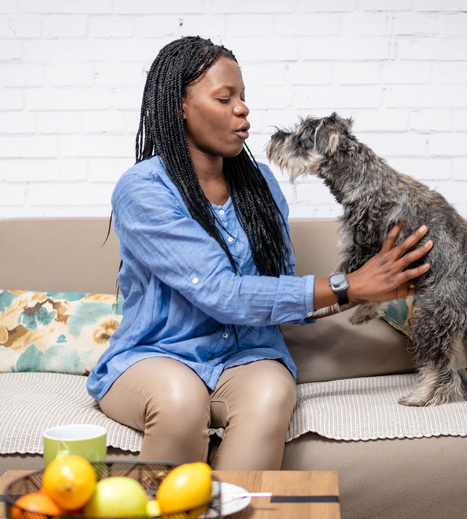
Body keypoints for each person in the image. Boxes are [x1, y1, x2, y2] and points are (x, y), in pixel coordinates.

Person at [86, 36, 433, 470]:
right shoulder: (143, 190)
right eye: (224, 98)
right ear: (180, 106)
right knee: (180, 402)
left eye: (243, 97)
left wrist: (361, 291)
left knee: (271, 393)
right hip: (157, 356)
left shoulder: (261, 185)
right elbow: (221, 293)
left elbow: (279, 293)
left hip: (247, 357)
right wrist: (347, 285)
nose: (243, 108)